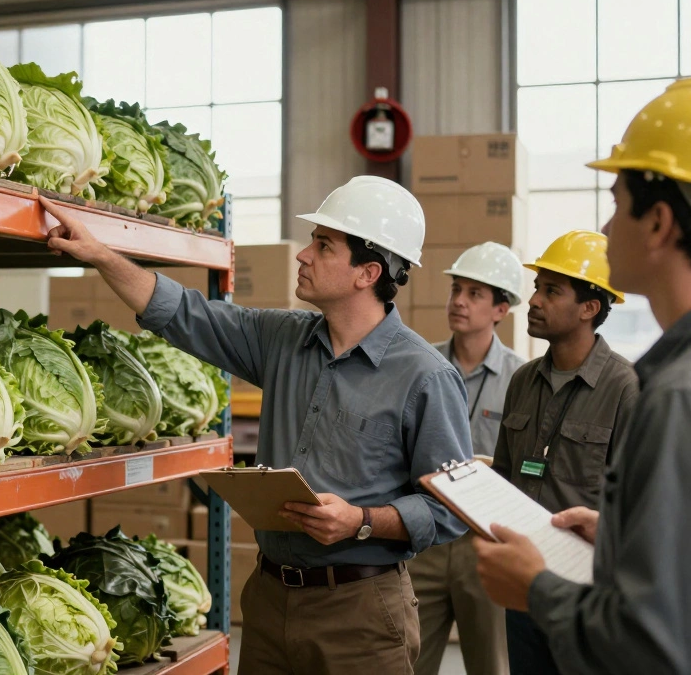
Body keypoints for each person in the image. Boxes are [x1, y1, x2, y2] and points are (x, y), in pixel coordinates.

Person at [39, 175, 473, 674]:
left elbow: (450, 508)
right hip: (269, 601)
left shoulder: (425, 376)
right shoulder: (281, 339)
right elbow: (183, 312)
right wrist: (100, 255)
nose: (303, 255)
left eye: (324, 245)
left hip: (361, 613)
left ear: (367, 272)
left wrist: (362, 520)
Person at [474, 76, 691, 674]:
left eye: (615, 203)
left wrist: (538, 589)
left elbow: (664, 650)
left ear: (659, 222)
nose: (607, 232)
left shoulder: (689, 397)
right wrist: (620, 537)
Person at [490, 230, 639, 675]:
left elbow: (636, 506)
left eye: (551, 290)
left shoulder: (625, 389)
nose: (534, 300)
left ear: (589, 308)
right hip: (523, 584)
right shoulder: (523, 381)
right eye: (537, 287)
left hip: (586, 595)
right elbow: (503, 474)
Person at [410, 242, 527, 675]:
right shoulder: (420, 365)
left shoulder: (521, 379)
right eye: (457, 289)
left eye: (475, 293)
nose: (459, 301)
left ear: (501, 309)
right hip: (427, 538)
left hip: (487, 543)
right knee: (409, 660)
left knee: (491, 665)